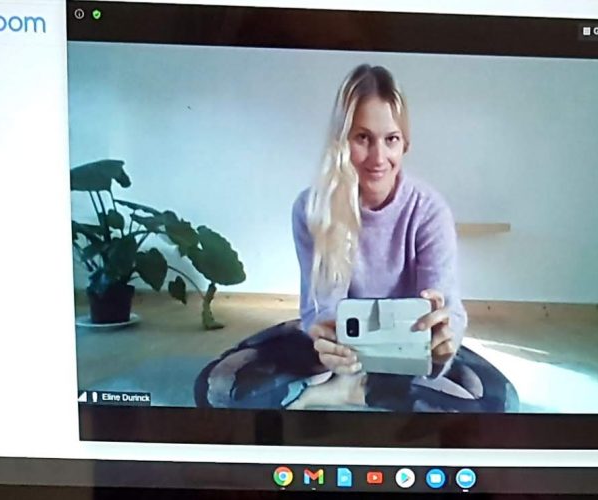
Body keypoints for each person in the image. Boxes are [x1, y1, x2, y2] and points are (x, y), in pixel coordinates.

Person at [195, 64, 512, 412]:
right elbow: (321, 309)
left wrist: (442, 344)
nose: (378, 158)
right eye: (362, 138)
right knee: (216, 388)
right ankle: (359, 388)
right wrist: (326, 341)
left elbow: (446, 308)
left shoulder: (429, 210)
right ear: (342, 142)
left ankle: (352, 391)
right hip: (335, 345)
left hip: (407, 349)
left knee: (498, 404)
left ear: (405, 143)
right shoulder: (311, 208)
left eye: (391, 139)